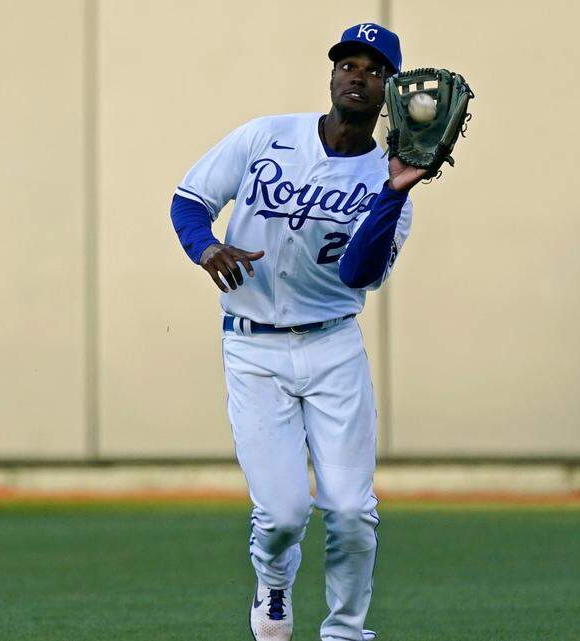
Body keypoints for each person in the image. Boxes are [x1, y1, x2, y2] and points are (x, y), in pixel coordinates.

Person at [170, 22, 426, 641]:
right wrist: (206, 248)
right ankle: (275, 587)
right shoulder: (267, 135)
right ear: (333, 74)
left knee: (351, 512)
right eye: (347, 63)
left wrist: (392, 193)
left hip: (333, 346)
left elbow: (359, 273)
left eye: (373, 67)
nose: (356, 74)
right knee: (282, 515)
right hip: (253, 347)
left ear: (389, 87)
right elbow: (189, 199)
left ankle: (345, 632)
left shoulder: (389, 183)